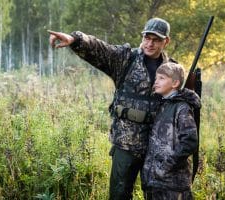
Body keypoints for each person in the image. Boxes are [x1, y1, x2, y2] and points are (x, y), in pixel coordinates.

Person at [49, 17, 176, 200]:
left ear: (166, 41)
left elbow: (181, 103)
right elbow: (99, 48)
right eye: (147, 38)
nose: (149, 43)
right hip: (126, 144)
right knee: (119, 194)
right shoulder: (125, 59)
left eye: (155, 40)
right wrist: (75, 39)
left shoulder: (172, 69)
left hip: (158, 145)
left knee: (158, 195)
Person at [141, 62, 201, 200]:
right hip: (155, 182)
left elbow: (190, 142)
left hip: (172, 185)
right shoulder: (163, 104)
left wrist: (166, 166)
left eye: (161, 78)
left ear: (175, 83)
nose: (156, 82)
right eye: (156, 78)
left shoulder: (182, 108)